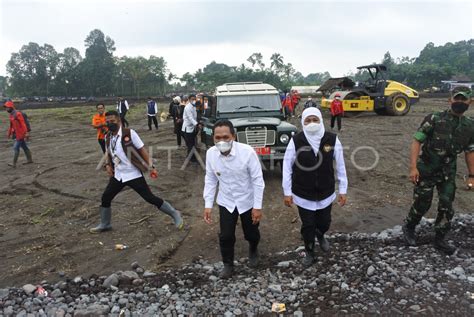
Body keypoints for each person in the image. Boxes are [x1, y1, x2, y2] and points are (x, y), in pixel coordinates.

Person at [402, 86, 474, 255]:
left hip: (448, 172)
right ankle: (409, 226)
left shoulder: (470, 126)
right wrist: (413, 167)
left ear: (470, 102)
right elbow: (416, 141)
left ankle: (440, 238)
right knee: (422, 203)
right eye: (457, 98)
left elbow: (470, 151)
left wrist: (472, 175)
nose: (460, 102)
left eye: (464, 99)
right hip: (426, 169)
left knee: (447, 205)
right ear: (450, 100)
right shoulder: (434, 118)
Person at [90, 110, 184, 233]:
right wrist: (108, 164)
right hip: (118, 175)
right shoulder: (108, 136)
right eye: (107, 122)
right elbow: (109, 151)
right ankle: (105, 223)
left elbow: (142, 150)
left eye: (112, 121)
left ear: (118, 120)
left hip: (132, 173)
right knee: (106, 197)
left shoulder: (129, 133)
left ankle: (174, 213)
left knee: (149, 198)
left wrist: (151, 166)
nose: (109, 124)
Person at [282, 107, 348, 267]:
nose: (312, 123)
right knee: (308, 225)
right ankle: (309, 251)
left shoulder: (332, 139)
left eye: (315, 120)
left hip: (326, 191)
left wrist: (343, 189)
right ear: (303, 122)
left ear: (320, 121)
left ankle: (321, 234)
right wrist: (287, 192)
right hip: (303, 193)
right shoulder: (296, 140)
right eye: (308, 120)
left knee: (325, 221)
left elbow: (340, 165)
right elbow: (287, 166)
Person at [203, 120, 265, 279]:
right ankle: (228, 264)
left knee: (251, 232)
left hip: (247, 201)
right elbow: (210, 179)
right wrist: (208, 205)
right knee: (225, 236)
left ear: (234, 136)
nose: (221, 141)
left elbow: (258, 180)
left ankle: (253, 248)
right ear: (213, 138)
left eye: (226, 137)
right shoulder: (211, 154)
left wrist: (257, 207)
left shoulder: (247, 152)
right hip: (227, 201)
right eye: (218, 138)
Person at [4, 100, 33, 168]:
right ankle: (30, 160)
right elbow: (11, 125)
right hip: (17, 133)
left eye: (7, 107)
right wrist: (9, 133)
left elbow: (23, 124)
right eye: (5, 107)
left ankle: (14, 163)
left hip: (21, 134)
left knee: (16, 147)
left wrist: (26, 133)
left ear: (11, 107)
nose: (6, 109)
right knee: (24, 146)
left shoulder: (18, 114)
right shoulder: (11, 115)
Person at [181, 94, 199, 162]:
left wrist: (197, 123)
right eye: (192, 99)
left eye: (194, 99)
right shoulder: (187, 107)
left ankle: (190, 157)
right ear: (189, 99)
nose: (194, 100)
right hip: (187, 129)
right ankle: (192, 158)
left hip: (192, 128)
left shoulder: (193, 107)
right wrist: (197, 124)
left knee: (192, 144)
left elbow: (195, 117)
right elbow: (190, 118)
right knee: (190, 144)